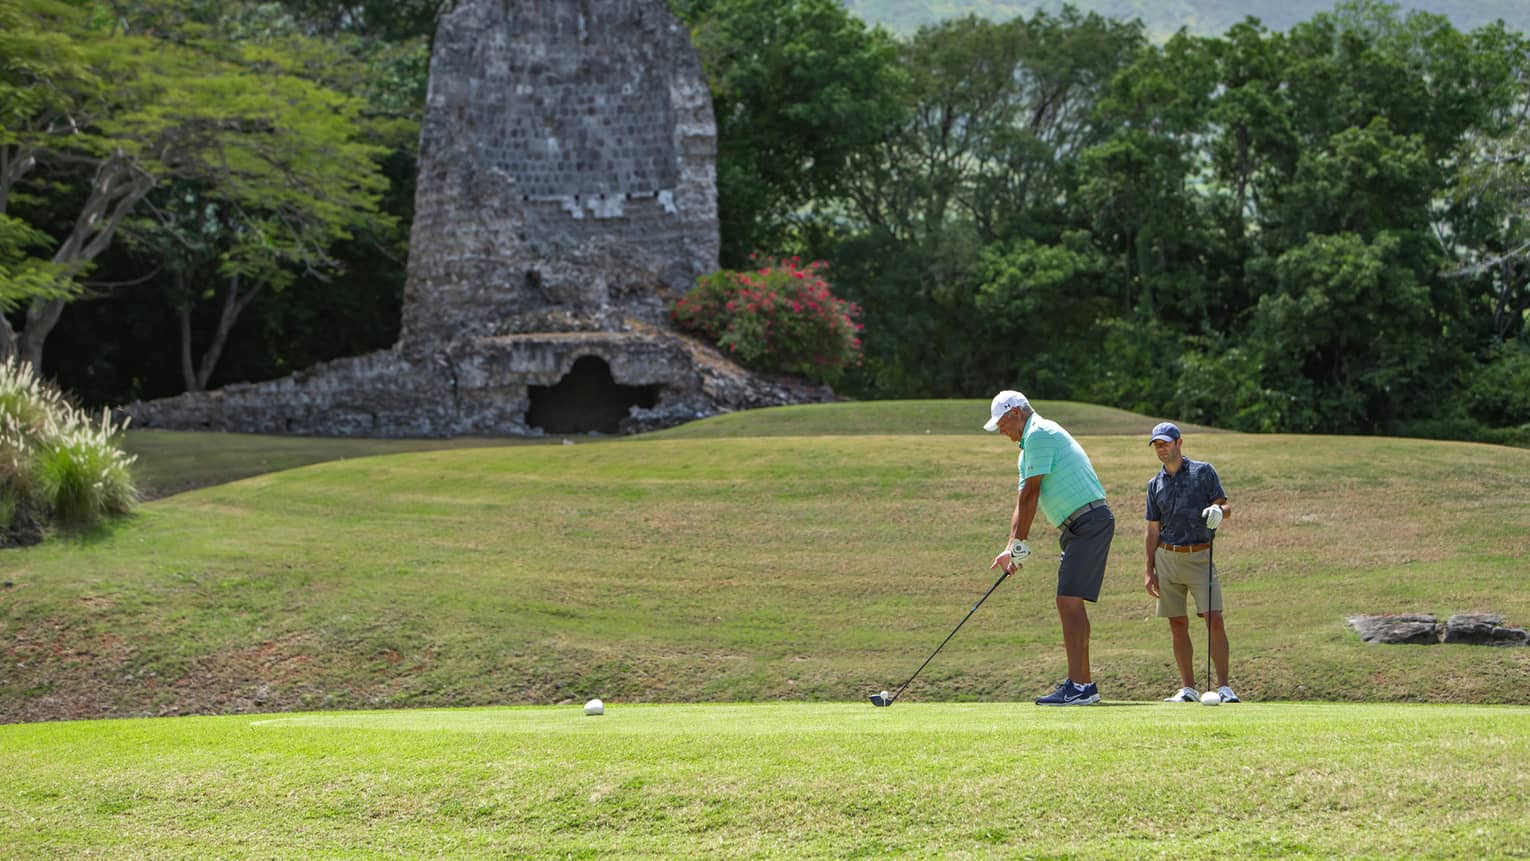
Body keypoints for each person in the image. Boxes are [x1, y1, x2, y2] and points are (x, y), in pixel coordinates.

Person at [985, 391, 1115, 706]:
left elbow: (1032, 493)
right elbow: (1021, 502)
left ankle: (1080, 686)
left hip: (1089, 521)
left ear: (1016, 412)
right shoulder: (1026, 448)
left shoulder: (1040, 434)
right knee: (1070, 602)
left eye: (1002, 423)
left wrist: (1020, 543)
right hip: (1076, 527)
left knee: (1067, 601)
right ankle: (1083, 686)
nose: (1002, 431)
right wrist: (1011, 547)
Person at [1143, 421, 1240, 703]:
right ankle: (1188, 689)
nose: (1162, 449)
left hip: (1199, 556)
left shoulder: (1203, 472)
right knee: (1177, 623)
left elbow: (1225, 506)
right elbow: (1152, 530)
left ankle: (1224, 687)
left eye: (1166, 443)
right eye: (1157, 445)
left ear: (1179, 443)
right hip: (1167, 558)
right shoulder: (1154, 484)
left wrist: (1218, 511)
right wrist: (1149, 570)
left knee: (1214, 618)